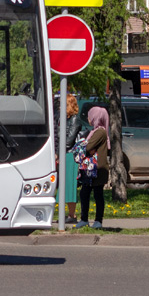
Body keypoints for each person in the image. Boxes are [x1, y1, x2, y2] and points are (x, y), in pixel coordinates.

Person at [77, 105, 110, 229]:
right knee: (84, 193)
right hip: (91, 169)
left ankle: (98, 221)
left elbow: (88, 146)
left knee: (97, 195)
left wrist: (85, 146)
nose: (88, 119)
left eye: (90, 116)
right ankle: (84, 219)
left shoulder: (100, 132)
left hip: (97, 169)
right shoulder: (95, 131)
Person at [62, 95, 82, 224]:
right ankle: (67, 214)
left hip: (70, 155)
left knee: (70, 186)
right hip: (65, 154)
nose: (60, 107)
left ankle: (72, 214)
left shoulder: (75, 119)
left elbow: (69, 140)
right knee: (64, 185)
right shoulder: (66, 119)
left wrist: (59, 151)